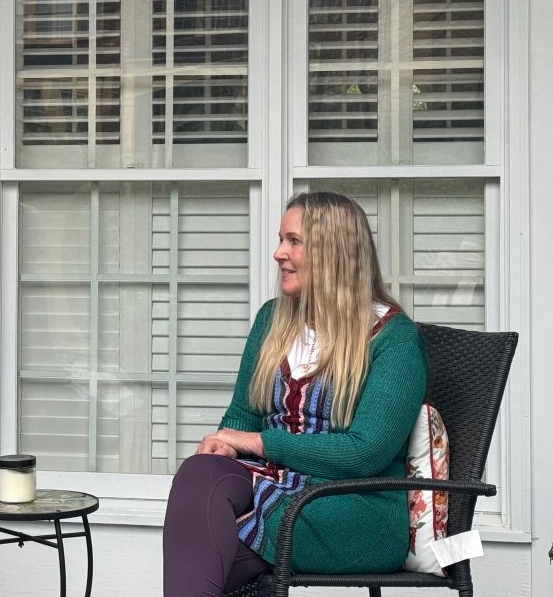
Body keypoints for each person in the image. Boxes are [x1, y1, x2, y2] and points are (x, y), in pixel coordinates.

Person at [162, 192, 427, 596]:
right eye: (281, 240)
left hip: (354, 507)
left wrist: (256, 443)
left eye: (294, 241)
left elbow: (364, 453)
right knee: (200, 474)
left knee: (203, 551)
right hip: (275, 486)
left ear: (333, 252)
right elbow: (240, 419)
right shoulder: (273, 319)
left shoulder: (394, 340)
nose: (278, 253)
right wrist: (223, 445)